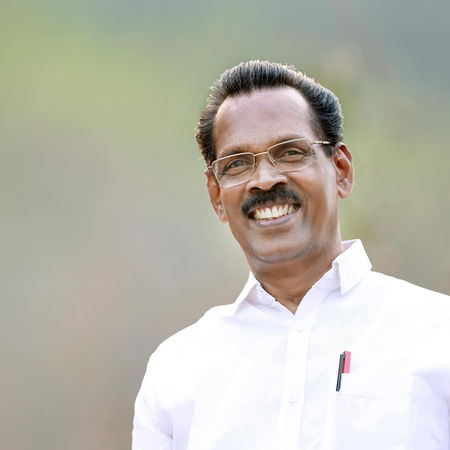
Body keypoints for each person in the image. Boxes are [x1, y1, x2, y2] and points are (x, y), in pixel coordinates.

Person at [132, 61, 450, 450]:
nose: (265, 180)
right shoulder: (176, 371)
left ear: (341, 170)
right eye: (237, 164)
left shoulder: (438, 335)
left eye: (290, 153)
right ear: (216, 196)